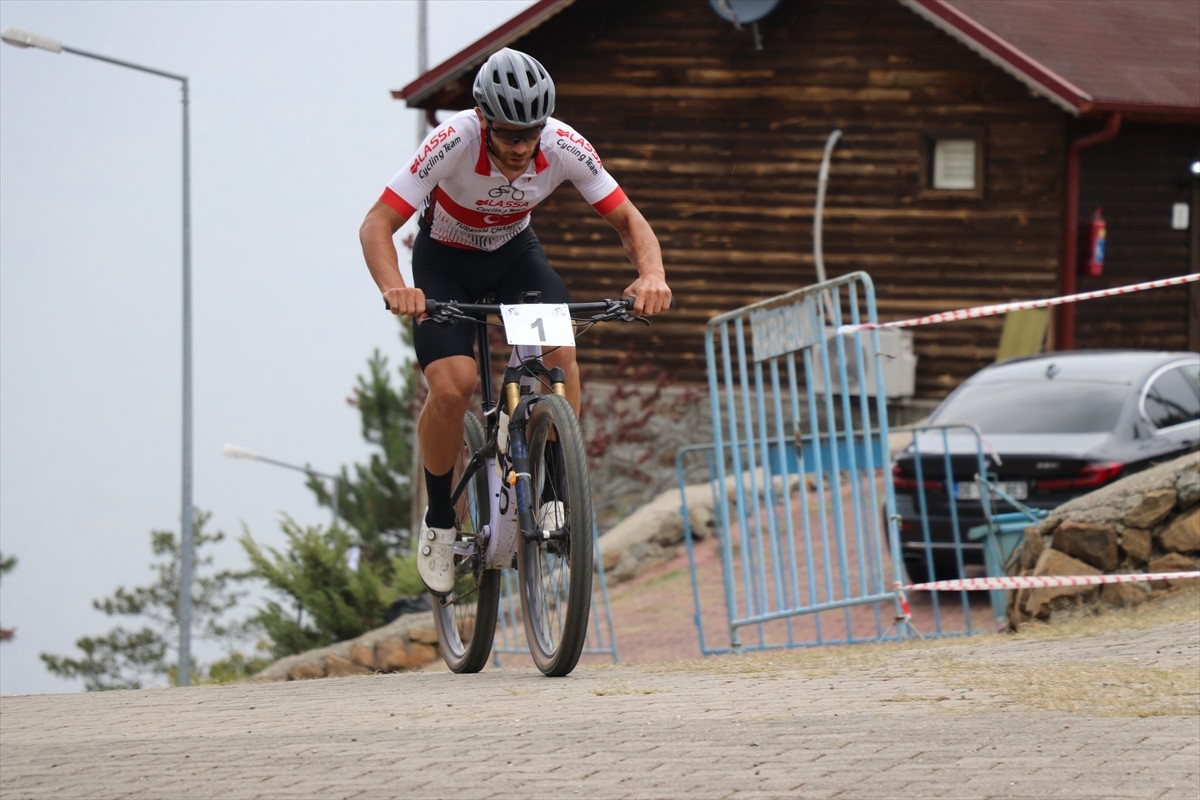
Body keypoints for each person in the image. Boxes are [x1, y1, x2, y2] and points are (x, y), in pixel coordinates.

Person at [359, 48, 671, 595]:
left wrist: (652, 274)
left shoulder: (564, 145)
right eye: (507, 134)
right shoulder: (453, 140)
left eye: (530, 132)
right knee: (453, 386)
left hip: (513, 256)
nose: (520, 147)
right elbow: (377, 224)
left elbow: (627, 218)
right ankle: (438, 519)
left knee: (559, 352)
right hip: (444, 263)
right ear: (483, 120)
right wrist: (396, 289)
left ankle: (555, 484)